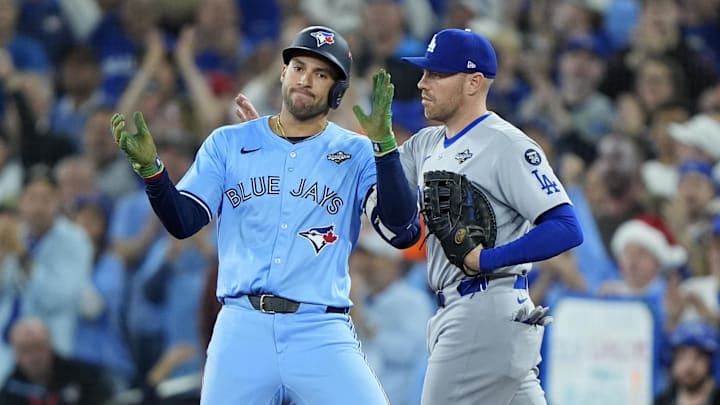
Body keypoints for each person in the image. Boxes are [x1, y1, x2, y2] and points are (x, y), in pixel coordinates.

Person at [235, 28, 584, 405]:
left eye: (437, 74)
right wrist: (280, 147)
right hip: (477, 313)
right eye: (424, 72)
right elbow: (357, 180)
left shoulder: (507, 144)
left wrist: (487, 259)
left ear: (474, 82)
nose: (423, 82)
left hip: (484, 310)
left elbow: (565, 227)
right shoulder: (428, 142)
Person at [110, 25, 421, 405]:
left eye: (321, 74)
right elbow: (183, 222)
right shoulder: (229, 142)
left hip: (319, 326)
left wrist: (386, 149)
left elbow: (401, 230)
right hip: (242, 325)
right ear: (283, 73)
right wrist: (155, 174)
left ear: (337, 90)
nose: (306, 79)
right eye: (299, 67)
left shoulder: (355, 151)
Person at [0, 318, 113, 405]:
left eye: (38, 347)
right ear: (15, 354)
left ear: (50, 345)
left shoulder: (83, 376)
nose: (33, 357)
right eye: (25, 350)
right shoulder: (11, 389)